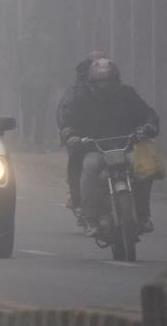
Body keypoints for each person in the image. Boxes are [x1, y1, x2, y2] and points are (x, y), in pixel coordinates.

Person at [60, 58, 159, 235]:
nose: (105, 87)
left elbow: (148, 113)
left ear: (116, 81)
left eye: (109, 82)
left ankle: (143, 216)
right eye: (100, 83)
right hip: (95, 150)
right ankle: (89, 219)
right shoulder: (82, 99)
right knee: (89, 167)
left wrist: (149, 126)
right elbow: (69, 122)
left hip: (126, 148)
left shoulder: (127, 95)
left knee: (144, 170)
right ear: (91, 83)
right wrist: (71, 136)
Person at [56, 50, 106, 218]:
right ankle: (79, 202)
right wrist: (69, 133)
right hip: (85, 141)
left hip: (113, 142)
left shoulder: (121, 92)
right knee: (77, 164)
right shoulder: (77, 92)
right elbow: (64, 114)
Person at [15, 18, 55, 151]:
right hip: (27, 82)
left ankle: (38, 142)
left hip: (42, 83)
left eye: (36, 24)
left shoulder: (47, 43)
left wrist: (49, 79)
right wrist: (20, 77)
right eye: (31, 24)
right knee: (27, 111)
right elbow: (18, 62)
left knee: (41, 113)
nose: (34, 27)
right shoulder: (21, 42)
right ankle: (27, 140)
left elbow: (50, 63)